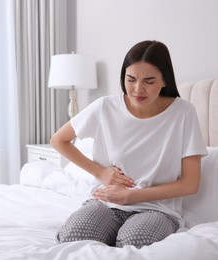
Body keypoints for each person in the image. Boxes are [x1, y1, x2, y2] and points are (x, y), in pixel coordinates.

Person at [50, 40, 207, 249]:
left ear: (164, 81)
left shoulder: (183, 113)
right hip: (106, 202)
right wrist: (101, 172)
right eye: (130, 79)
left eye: (149, 81)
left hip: (157, 209)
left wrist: (131, 196)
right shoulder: (105, 107)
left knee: (133, 243)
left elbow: (190, 184)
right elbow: (58, 140)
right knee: (73, 238)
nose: (137, 89)